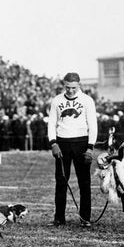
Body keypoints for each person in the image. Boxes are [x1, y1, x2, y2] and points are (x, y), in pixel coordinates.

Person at [47, 72, 97, 227]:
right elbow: (51, 123)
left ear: (79, 85)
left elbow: (93, 125)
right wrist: (53, 143)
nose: (70, 91)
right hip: (62, 143)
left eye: (73, 87)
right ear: (64, 85)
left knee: (84, 182)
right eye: (67, 87)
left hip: (81, 142)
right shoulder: (57, 100)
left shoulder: (87, 100)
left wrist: (90, 147)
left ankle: (85, 218)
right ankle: (59, 218)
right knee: (61, 182)